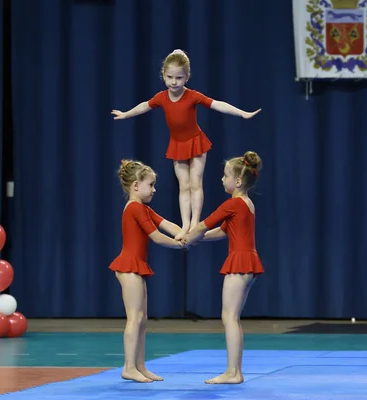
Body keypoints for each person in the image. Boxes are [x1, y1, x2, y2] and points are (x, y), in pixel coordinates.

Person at [111, 49, 261, 241]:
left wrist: (242, 113)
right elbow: (144, 106)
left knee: (195, 182)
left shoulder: (192, 96)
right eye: (169, 77)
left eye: (179, 78)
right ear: (163, 75)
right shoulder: (162, 97)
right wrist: (126, 114)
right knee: (183, 185)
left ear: (187, 77)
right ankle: (185, 225)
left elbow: (217, 104)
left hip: (196, 142)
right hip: (177, 144)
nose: (174, 82)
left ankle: (196, 223)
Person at [183, 151, 264, 384]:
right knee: (232, 317)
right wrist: (196, 239)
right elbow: (222, 232)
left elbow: (203, 225)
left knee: (228, 317)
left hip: (239, 262)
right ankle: (234, 370)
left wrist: (186, 238)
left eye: (224, 175)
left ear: (237, 181)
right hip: (248, 261)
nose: (221, 179)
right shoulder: (246, 204)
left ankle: (233, 372)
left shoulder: (233, 204)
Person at [109, 159, 184, 383]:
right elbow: (157, 236)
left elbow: (167, 225)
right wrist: (180, 244)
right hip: (128, 266)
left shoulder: (143, 208)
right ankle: (128, 366)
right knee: (135, 317)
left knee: (142, 318)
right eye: (150, 185)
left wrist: (188, 231)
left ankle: (139, 365)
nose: (154, 189)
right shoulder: (134, 208)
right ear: (135, 186)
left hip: (135, 267)